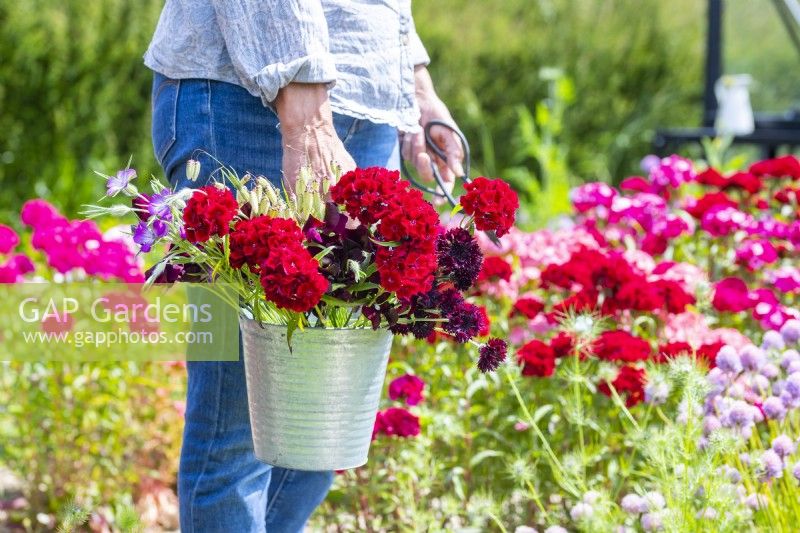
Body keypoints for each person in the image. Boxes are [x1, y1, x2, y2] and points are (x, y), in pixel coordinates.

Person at [145, 1, 464, 531]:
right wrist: (306, 114)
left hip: (368, 108)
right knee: (238, 425)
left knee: (321, 425)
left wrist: (417, 94)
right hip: (251, 92)